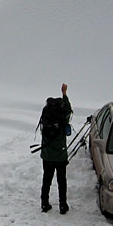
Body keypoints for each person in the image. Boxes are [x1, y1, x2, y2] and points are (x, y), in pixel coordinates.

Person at [39, 83, 73, 214]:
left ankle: (44, 203)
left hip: (47, 155)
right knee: (61, 181)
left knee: (46, 179)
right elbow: (69, 110)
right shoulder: (63, 119)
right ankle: (63, 205)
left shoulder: (45, 119)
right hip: (60, 156)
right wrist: (64, 94)